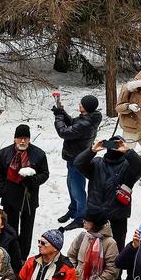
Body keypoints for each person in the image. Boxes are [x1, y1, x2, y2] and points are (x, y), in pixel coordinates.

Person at [71, 139, 141, 255]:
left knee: (115, 254)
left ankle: (115, 274)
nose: (115, 147)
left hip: (116, 220)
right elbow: (78, 163)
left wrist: (127, 151)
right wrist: (92, 150)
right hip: (95, 218)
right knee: (91, 253)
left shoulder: (128, 167)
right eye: (112, 144)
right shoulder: (96, 163)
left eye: (118, 145)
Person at [0, 124, 48, 252]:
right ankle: (11, 252)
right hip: (10, 195)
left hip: (28, 196)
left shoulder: (38, 154)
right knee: (9, 227)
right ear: (15, 139)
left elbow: (45, 174)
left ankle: (23, 255)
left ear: (29, 139)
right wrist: (3, 190)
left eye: (25, 138)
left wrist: (33, 180)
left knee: (27, 229)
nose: (23, 141)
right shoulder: (4, 153)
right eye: (20, 138)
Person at [52, 94, 102, 229]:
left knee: (77, 190)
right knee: (70, 185)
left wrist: (58, 117)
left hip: (78, 160)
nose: (79, 104)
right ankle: (73, 209)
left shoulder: (86, 123)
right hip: (73, 157)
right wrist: (62, 112)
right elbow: (73, 122)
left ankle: (81, 217)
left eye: (82, 104)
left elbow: (64, 132)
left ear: (87, 107)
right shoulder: (88, 118)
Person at [66, 213, 119, 280]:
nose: (84, 222)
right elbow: (71, 255)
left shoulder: (109, 243)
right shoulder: (83, 236)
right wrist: (74, 271)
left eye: (86, 221)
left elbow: (112, 270)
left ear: (95, 224)